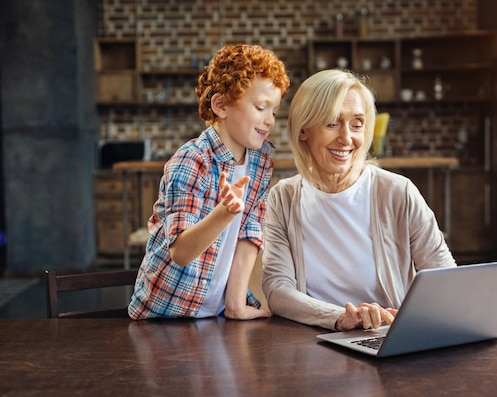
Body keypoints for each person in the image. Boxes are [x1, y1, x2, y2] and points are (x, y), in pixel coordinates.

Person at [262, 69, 456, 331]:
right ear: (304, 130)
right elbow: (277, 289)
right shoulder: (282, 198)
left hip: (387, 338)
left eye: (357, 124)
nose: (346, 138)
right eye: (332, 123)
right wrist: (341, 317)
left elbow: (445, 279)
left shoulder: (399, 192)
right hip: (314, 340)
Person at [128, 44, 290, 320]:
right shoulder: (192, 161)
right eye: (260, 107)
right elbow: (180, 251)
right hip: (166, 314)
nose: (269, 120)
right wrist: (224, 213)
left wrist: (237, 306)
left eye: (273, 111)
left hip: (217, 312)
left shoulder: (261, 163)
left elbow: (250, 234)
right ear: (221, 105)